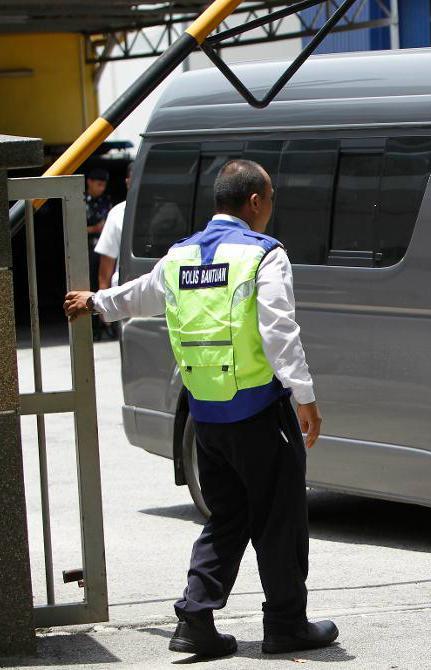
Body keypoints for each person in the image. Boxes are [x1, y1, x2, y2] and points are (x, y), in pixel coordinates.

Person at [63, 160, 336, 659]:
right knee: (280, 519)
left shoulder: (180, 257)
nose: (271, 208)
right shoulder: (264, 255)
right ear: (254, 201)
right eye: (270, 198)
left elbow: (137, 296)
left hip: (205, 417)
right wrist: (306, 398)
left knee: (227, 517)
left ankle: (196, 617)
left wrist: (95, 302)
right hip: (259, 412)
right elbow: (279, 331)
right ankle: (285, 624)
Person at [93, 162, 131, 340]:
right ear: (127, 181)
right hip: (126, 296)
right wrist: (103, 299)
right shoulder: (117, 213)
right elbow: (107, 260)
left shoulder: (170, 210)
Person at [85, 167, 112, 340]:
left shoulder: (106, 201)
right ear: (89, 182)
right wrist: (94, 228)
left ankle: (105, 324)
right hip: (85, 248)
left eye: (104, 185)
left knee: (103, 284)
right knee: (87, 285)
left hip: (103, 250)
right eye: (98, 184)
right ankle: (92, 327)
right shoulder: (79, 201)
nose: (101, 188)